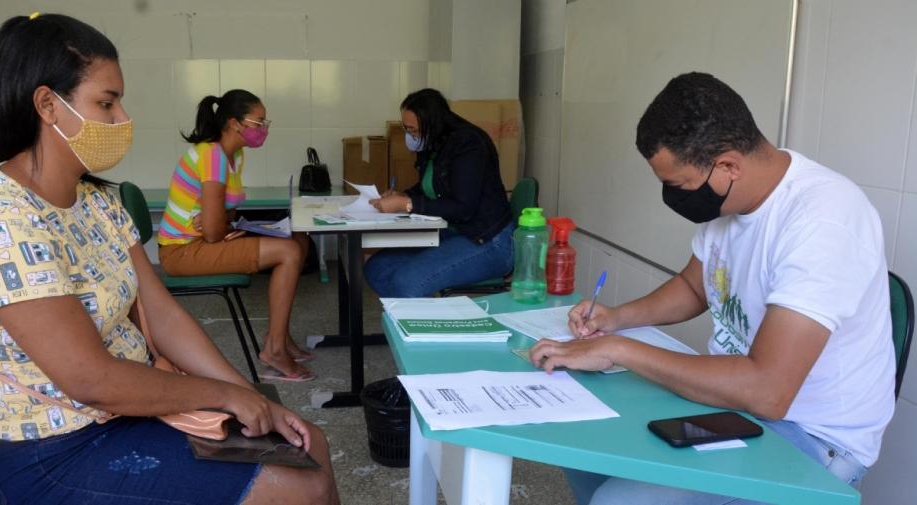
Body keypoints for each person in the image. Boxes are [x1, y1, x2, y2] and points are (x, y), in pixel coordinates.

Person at [0, 13, 338, 504]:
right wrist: (222, 396)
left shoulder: (98, 202)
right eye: (106, 103)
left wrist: (248, 394)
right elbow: (91, 380)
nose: (122, 119)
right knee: (296, 484)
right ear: (48, 105)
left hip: (130, 412)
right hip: (54, 454)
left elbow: (163, 315)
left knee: (309, 446)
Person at [530, 72, 895, 504]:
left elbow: (768, 392)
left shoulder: (824, 221)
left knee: (623, 500)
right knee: (586, 439)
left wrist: (619, 350)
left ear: (727, 166)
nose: (674, 197)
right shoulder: (731, 203)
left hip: (812, 437)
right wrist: (616, 319)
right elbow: (694, 286)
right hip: (736, 408)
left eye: (679, 186)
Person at [157, 90, 316, 382]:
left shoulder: (234, 155)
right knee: (290, 252)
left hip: (202, 242)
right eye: (258, 122)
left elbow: (225, 215)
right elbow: (216, 233)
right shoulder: (212, 155)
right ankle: (274, 351)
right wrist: (221, 223)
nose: (264, 129)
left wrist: (223, 221)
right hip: (182, 251)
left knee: (301, 239)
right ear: (234, 123)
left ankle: (276, 335)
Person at [365, 88, 514, 297]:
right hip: (452, 232)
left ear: (432, 123)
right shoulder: (435, 142)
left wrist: (407, 205)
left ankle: (427, 324)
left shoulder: (469, 144)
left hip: (487, 240)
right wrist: (402, 195)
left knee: (405, 282)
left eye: (414, 130)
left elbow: (464, 208)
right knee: (377, 268)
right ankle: (414, 319)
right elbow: (431, 186)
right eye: (407, 129)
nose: (410, 136)